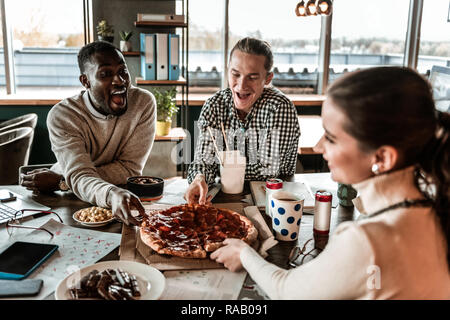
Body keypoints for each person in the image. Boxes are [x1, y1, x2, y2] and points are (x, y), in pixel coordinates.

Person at [210, 66, 450, 299]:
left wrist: (244, 254)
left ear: (383, 158)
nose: (318, 146)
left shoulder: (367, 240)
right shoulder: (434, 211)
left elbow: (285, 290)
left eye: (332, 138)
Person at [20, 41, 156, 226]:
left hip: (108, 194)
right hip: (69, 198)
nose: (120, 80)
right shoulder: (63, 115)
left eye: (123, 71)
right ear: (86, 81)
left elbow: (130, 169)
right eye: (106, 74)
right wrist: (101, 189)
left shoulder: (143, 103)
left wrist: (62, 181)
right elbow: (80, 173)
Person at [185, 37, 300, 204]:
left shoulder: (279, 107)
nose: (241, 85)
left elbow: (267, 172)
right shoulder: (214, 106)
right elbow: (203, 161)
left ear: (267, 79)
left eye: (252, 77)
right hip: (226, 198)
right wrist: (199, 177)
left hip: (274, 201)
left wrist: (224, 165)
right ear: (228, 70)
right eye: (235, 74)